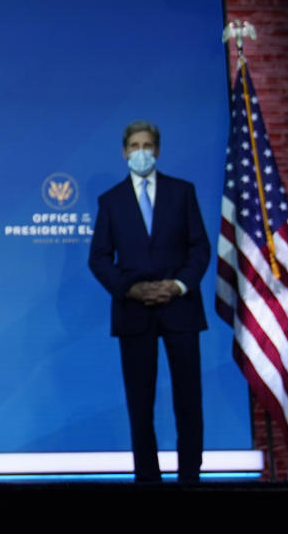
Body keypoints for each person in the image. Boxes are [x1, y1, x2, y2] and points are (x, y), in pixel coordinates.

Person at [89, 120, 208, 482]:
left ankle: (190, 478)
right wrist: (131, 289)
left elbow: (199, 247)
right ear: (125, 152)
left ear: (157, 150)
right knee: (140, 405)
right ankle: (148, 482)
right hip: (134, 310)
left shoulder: (182, 192)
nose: (141, 152)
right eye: (134, 146)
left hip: (180, 308)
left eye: (148, 145)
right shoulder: (110, 200)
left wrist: (177, 285)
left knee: (188, 400)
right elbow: (99, 258)